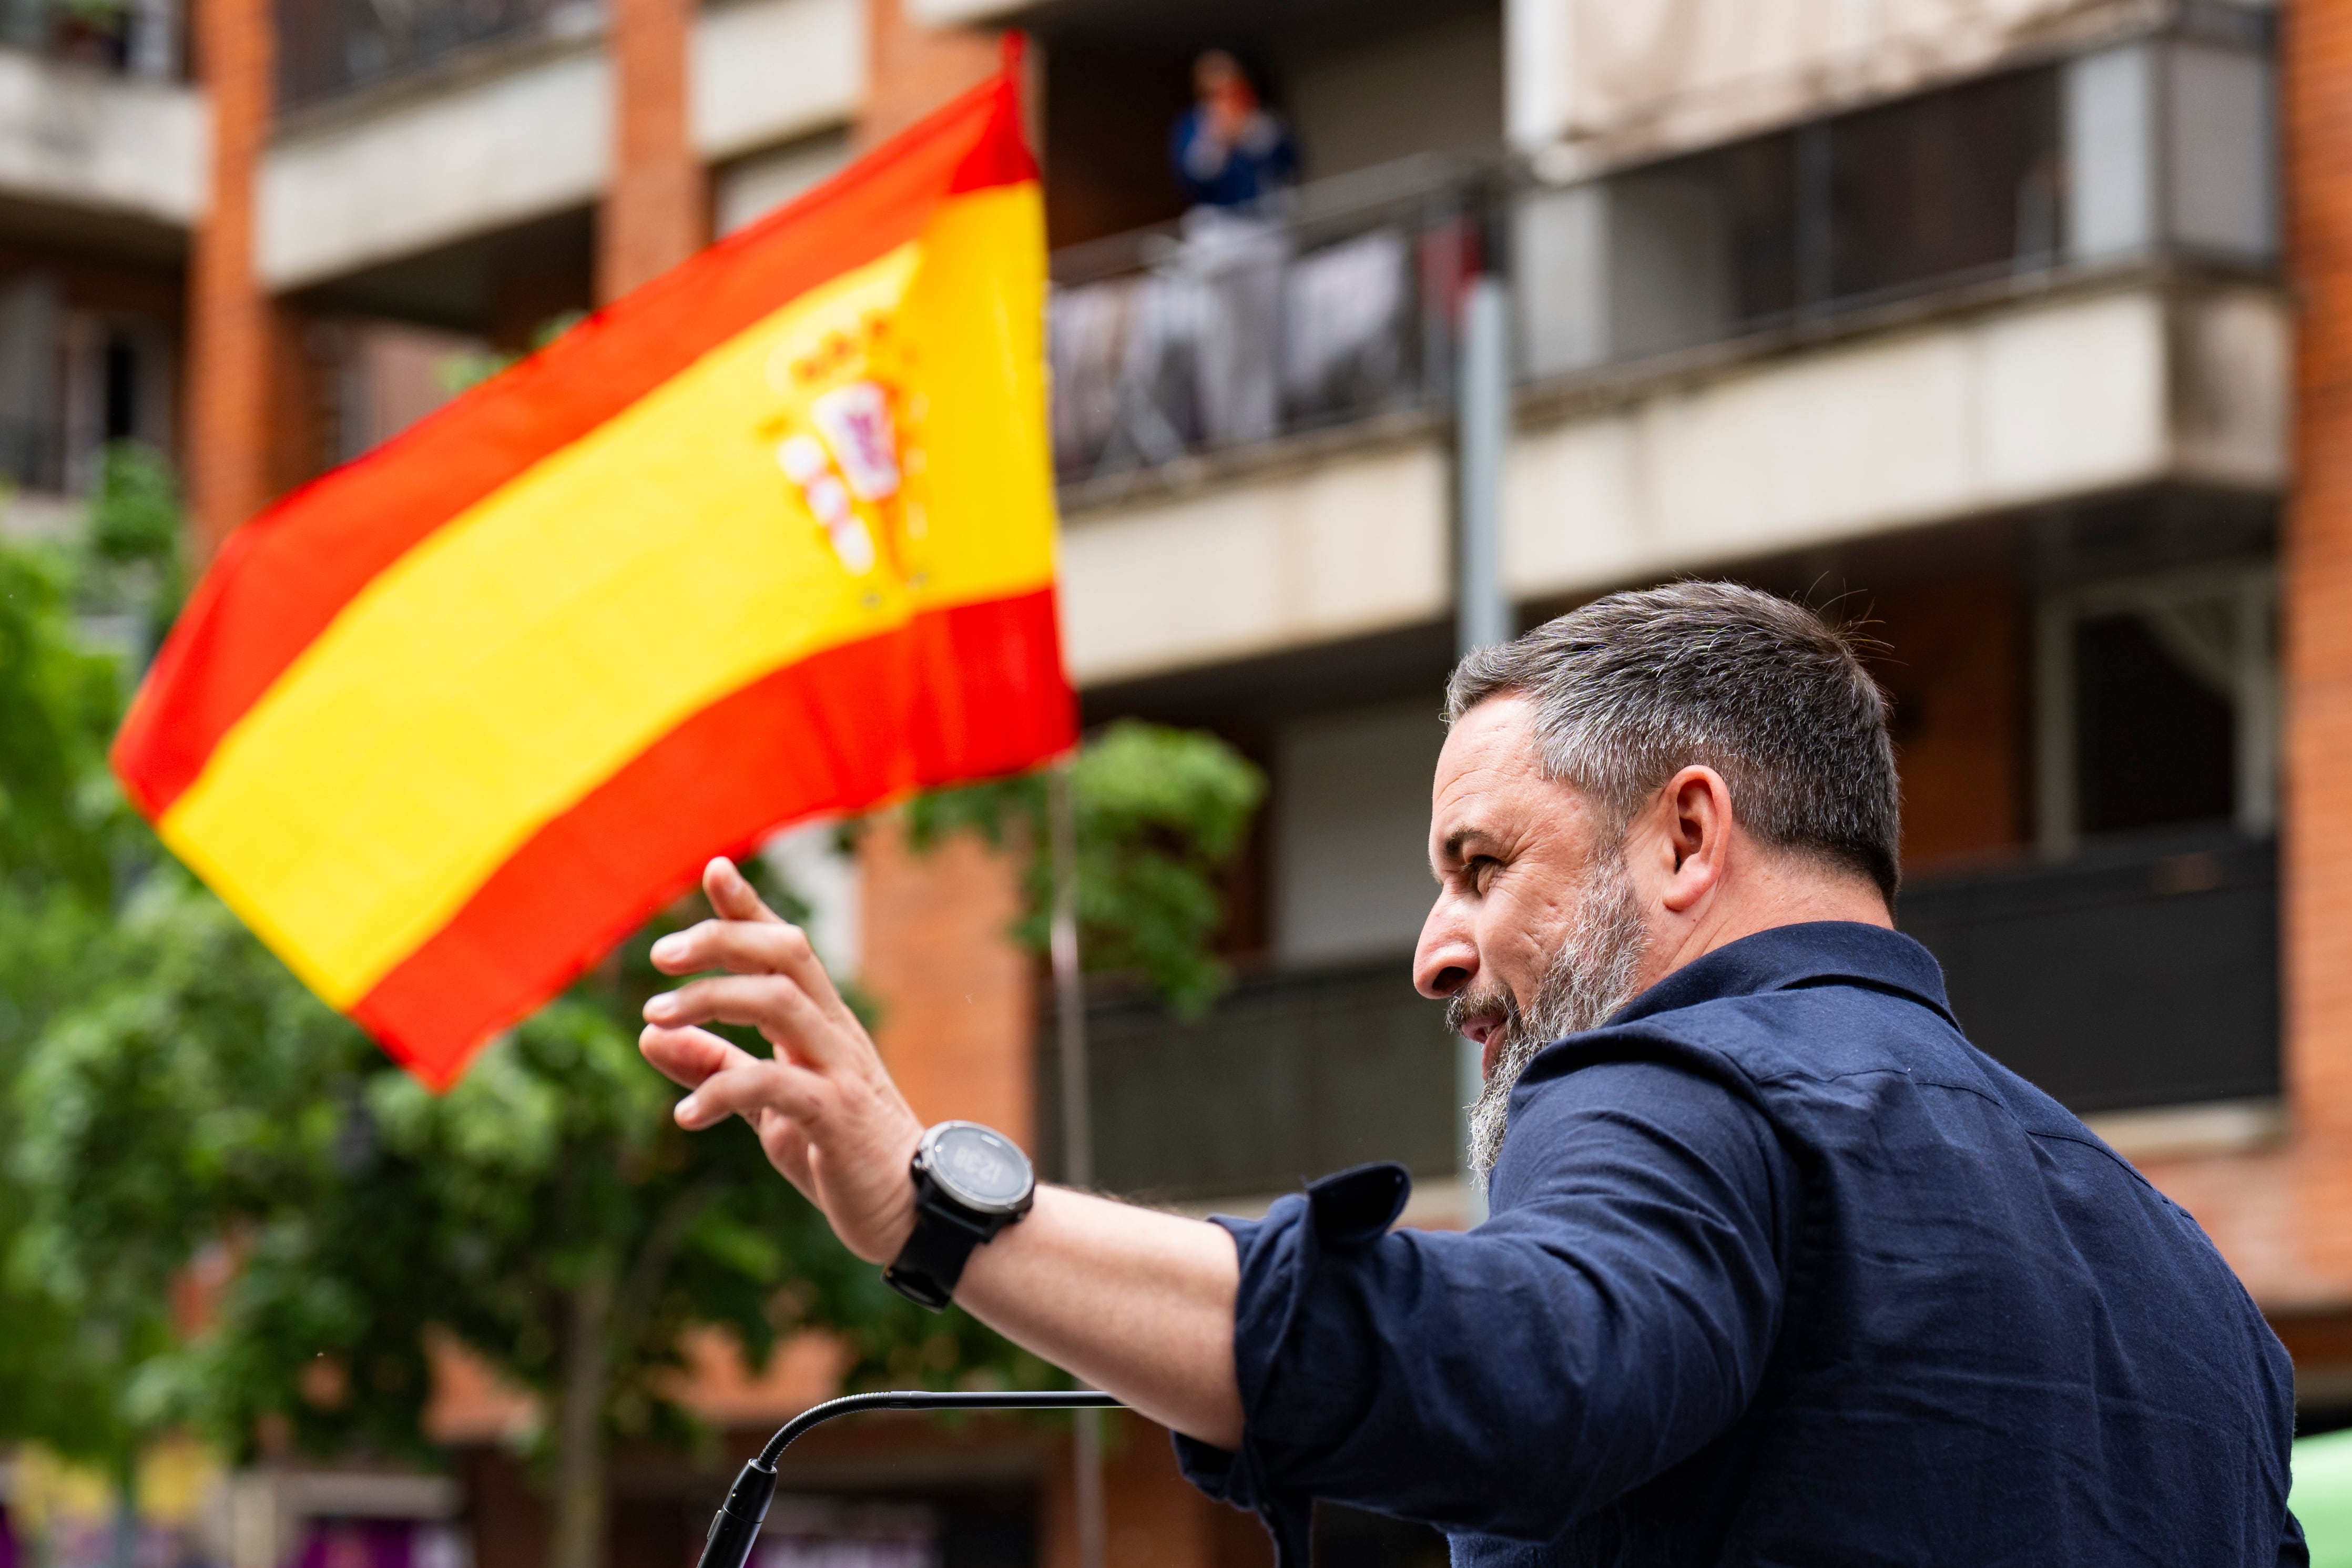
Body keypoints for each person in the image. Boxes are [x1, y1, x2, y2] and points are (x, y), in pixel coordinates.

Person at [639, 582, 2303, 1565]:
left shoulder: (1686, 1091)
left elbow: (1527, 1362)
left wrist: (947, 1211)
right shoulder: (2190, 1288)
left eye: (1481, 863)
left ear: (1688, 834)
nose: (1437, 949)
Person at [1170, 49, 1298, 212]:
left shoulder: (1262, 119)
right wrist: (1216, 141)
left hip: (1268, 213)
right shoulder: (1191, 125)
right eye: (1215, 93)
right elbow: (1188, 181)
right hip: (1220, 222)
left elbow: (1290, 162)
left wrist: (1252, 134)